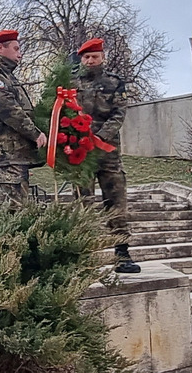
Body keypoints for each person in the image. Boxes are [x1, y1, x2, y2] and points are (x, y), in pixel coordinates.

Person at [72, 38, 141, 274]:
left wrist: (99, 137)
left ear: (103, 58)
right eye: (86, 57)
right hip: (80, 153)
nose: (90, 61)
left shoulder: (114, 82)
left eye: (95, 57)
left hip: (107, 152)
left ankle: (122, 254)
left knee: (116, 201)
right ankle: (82, 255)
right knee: (83, 202)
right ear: (81, 59)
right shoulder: (71, 83)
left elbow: (118, 113)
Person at [0, 30, 48, 205]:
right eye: (16, 48)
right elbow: (7, 109)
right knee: (9, 218)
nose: (20, 54)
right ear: (0, 48)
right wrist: (35, 133)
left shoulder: (6, 76)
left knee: (17, 219)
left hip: (12, 156)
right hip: (2, 157)